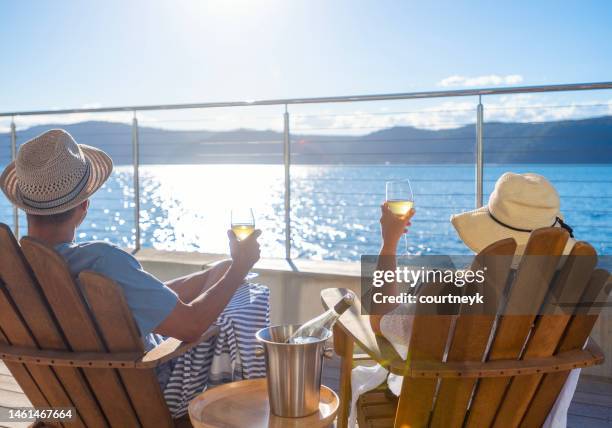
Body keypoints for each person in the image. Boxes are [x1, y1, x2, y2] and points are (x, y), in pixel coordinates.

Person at [0, 129, 270, 417]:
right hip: (143, 398)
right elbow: (191, 327)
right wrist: (241, 266)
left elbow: (121, 304)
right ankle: (253, 410)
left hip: (63, 404)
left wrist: (206, 279)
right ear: (84, 206)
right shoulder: (103, 261)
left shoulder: (13, 272)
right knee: (245, 295)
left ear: (24, 207)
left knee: (221, 277)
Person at [355, 172, 578, 428]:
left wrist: (389, 244)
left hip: (443, 415)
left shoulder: (456, 295)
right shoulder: (562, 297)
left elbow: (380, 319)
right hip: (520, 415)